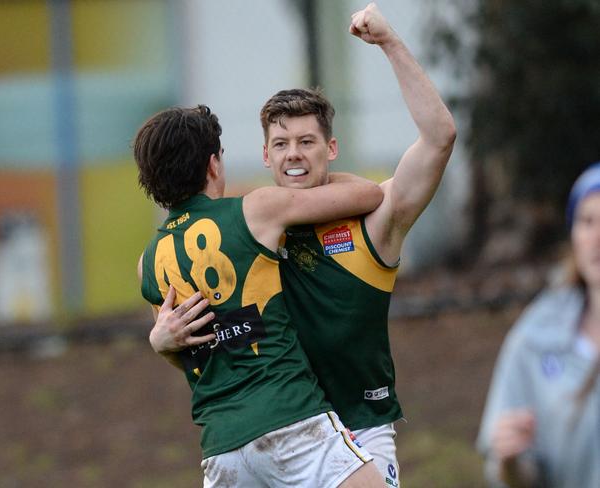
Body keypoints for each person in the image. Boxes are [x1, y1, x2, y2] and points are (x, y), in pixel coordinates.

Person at [152, 3, 457, 486]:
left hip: (359, 428)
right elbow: (219, 337)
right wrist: (163, 342)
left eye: (307, 141)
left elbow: (439, 138)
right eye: (281, 143)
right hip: (281, 431)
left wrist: (390, 43)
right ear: (265, 156)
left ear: (331, 149)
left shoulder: (372, 221)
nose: (293, 154)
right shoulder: (241, 232)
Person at [135, 104, 389, 487]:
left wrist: (160, 343)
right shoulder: (255, 209)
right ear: (213, 165)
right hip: (291, 422)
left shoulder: (148, 263)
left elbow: (192, 352)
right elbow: (369, 195)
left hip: (222, 452)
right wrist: (311, 167)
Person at [477, 162, 600, 488]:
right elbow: (516, 477)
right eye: (587, 221)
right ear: (574, 235)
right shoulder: (534, 339)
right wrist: (510, 460)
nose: (598, 237)